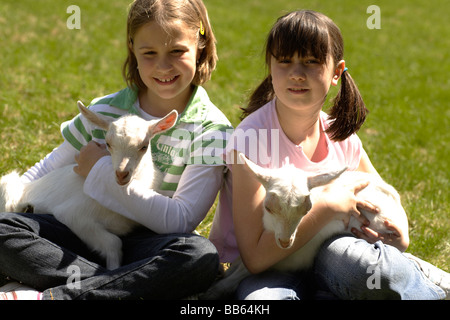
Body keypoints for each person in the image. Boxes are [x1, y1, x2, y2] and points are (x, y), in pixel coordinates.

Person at [0, 0, 233, 300]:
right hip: (79, 232)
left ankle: (52, 294)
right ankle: (121, 288)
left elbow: (182, 219)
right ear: (132, 48)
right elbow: (43, 172)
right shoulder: (105, 111)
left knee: (199, 255)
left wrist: (100, 172)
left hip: (149, 242)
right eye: (149, 53)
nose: (163, 66)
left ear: (200, 45)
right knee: (4, 229)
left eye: (177, 51)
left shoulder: (212, 130)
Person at [208, 10, 449, 300]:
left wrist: (399, 230)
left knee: (368, 270)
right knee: (261, 302)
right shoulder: (250, 140)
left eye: (311, 62)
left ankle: (421, 285)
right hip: (268, 266)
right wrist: (328, 206)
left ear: (336, 72)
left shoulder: (340, 135)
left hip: (333, 256)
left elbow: (382, 193)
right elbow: (255, 258)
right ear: (270, 67)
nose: (297, 73)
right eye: (285, 61)